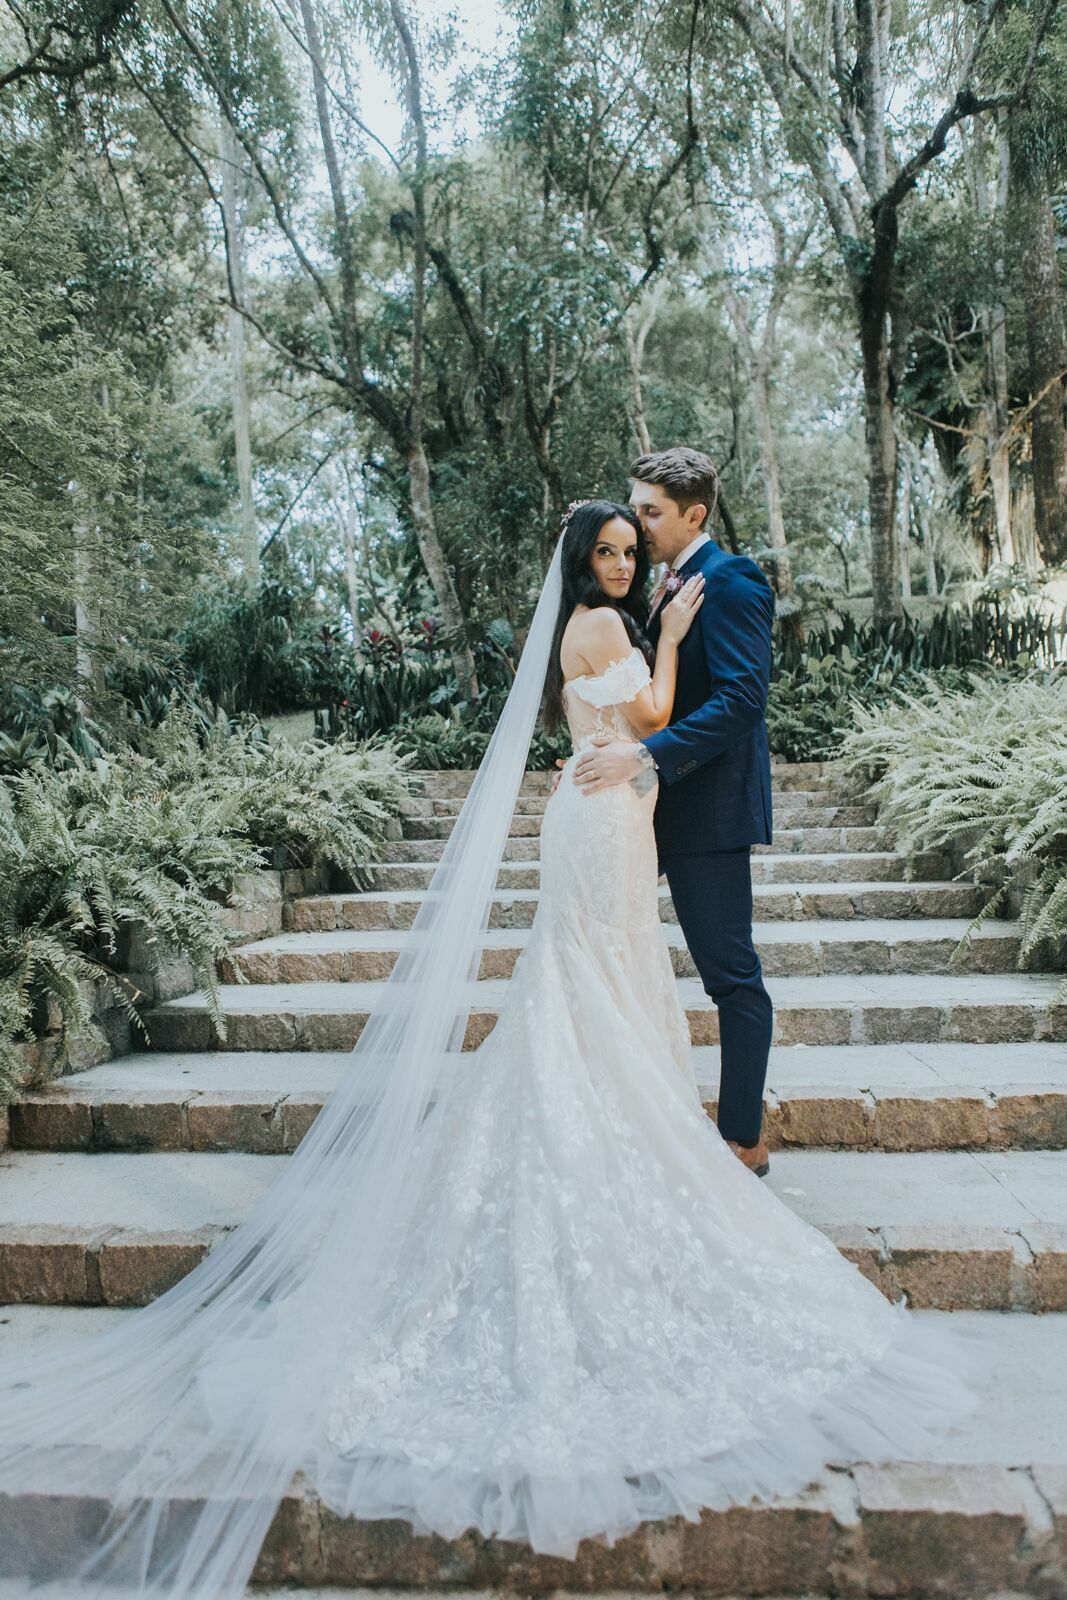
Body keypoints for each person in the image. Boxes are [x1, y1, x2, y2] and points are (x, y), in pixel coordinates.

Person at [0, 498, 977, 1596]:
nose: (621, 559)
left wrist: (645, 690)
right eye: (605, 549)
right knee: (590, 981)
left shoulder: (583, 622)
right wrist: (665, 632)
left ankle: (616, 1136)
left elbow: (629, 730)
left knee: (593, 979)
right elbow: (654, 707)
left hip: (606, 815)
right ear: (579, 563)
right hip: (602, 821)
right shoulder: (602, 628)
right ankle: (612, 1142)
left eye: (628, 545)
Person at [571, 448, 774, 1178]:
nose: (637, 522)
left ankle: (742, 1140)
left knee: (730, 976)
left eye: (649, 511)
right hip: (641, 815)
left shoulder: (731, 580)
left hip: (705, 815)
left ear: (694, 514)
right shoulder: (660, 590)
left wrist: (647, 757)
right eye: (634, 508)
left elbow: (741, 701)